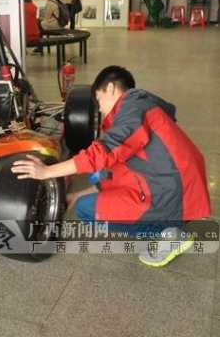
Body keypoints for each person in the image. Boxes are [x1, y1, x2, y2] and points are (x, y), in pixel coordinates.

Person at [12, 66, 211, 268]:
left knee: (87, 209)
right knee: (96, 180)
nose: (98, 109)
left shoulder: (133, 107)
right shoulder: (142, 108)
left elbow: (105, 152)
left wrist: (46, 172)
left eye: (98, 101)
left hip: (174, 193)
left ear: (110, 88)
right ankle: (169, 225)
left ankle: (167, 233)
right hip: (171, 186)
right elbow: (117, 172)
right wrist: (78, 194)